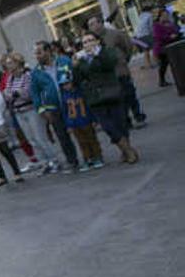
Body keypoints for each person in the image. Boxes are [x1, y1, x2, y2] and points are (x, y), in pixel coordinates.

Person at [73, 32, 140, 164]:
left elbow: (109, 64)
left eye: (90, 40)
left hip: (112, 92)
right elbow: (78, 80)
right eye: (85, 42)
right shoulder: (81, 59)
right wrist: (75, 67)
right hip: (95, 98)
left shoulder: (106, 52)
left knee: (120, 124)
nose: (88, 44)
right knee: (108, 127)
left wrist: (96, 55)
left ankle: (124, 151)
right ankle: (128, 150)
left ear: (97, 41)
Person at [3, 52, 60, 174]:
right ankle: (44, 162)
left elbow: (29, 92)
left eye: (10, 63)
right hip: (18, 111)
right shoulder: (10, 78)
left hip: (31, 109)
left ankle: (53, 160)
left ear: (18, 62)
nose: (9, 66)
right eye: (7, 64)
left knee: (40, 137)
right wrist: (15, 94)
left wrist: (16, 94)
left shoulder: (27, 75)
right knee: (31, 139)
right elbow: (6, 93)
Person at [88, 15, 147, 127]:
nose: (92, 27)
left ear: (100, 23)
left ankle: (138, 117)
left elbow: (127, 46)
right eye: (90, 25)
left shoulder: (114, 34)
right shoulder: (93, 41)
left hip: (121, 70)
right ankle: (126, 121)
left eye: (93, 23)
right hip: (108, 75)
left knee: (130, 95)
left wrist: (124, 58)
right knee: (118, 99)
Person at [31, 41, 81, 173]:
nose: (37, 56)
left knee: (81, 129)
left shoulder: (64, 61)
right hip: (53, 108)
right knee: (62, 135)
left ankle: (91, 156)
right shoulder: (36, 72)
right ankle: (72, 161)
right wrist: (42, 109)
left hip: (71, 102)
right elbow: (35, 93)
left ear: (48, 51)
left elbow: (77, 76)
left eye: (39, 52)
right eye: (35, 53)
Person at [58, 71, 104, 171]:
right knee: (82, 142)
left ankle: (97, 157)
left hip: (85, 120)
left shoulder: (81, 93)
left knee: (92, 139)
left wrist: (94, 119)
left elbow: (88, 107)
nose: (65, 86)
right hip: (74, 123)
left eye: (67, 83)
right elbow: (65, 112)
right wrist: (68, 125)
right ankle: (87, 159)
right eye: (63, 84)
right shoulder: (64, 97)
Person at [153, 8, 180, 88]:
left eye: (167, 15)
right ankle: (162, 81)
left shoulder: (170, 24)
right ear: (160, 16)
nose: (166, 17)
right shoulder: (157, 25)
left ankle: (168, 79)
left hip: (171, 46)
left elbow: (176, 31)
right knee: (164, 64)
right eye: (164, 15)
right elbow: (157, 37)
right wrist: (169, 37)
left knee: (171, 63)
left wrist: (176, 33)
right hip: (161, 48)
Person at [135, 4, 155, 69]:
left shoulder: (140, 15)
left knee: (146, 50)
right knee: (155, 47)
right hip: (146, 34)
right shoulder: (150, 15)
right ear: (150, 10)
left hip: (138, 36)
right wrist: (153, 34)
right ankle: (157, 61)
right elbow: (151, 26)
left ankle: (148, 64)